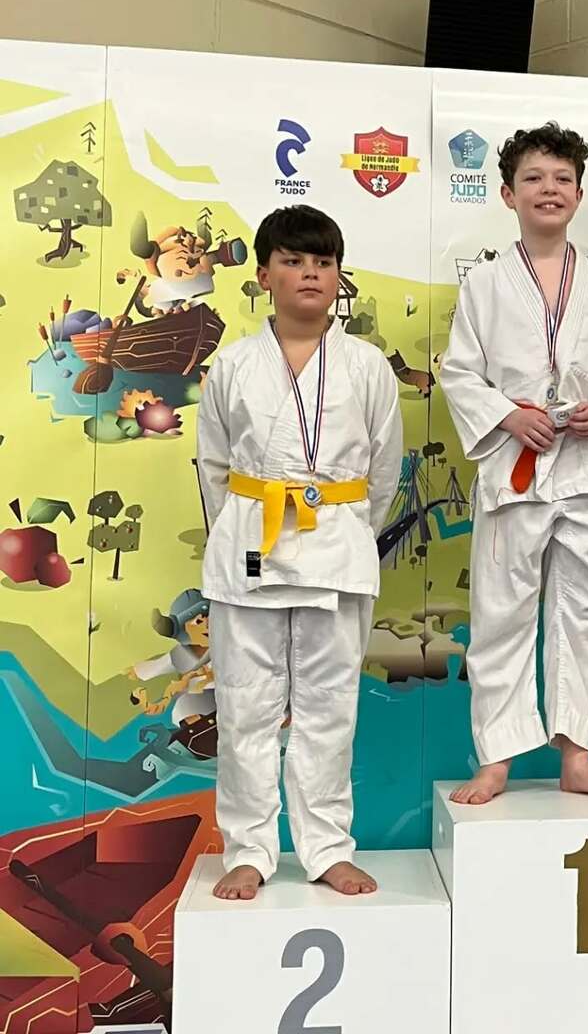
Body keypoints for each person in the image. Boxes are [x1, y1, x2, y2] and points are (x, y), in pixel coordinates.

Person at [440, 122, 588, 805]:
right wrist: (509, 416)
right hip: (516, 467)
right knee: (501, 614)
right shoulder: (484, 284)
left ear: (580, 194)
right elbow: (460, 372)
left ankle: (577, 755)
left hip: (585, 469)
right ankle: (497, 758)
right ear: (508, 194)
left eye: (562, 178)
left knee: (585, 612)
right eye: (533, 178)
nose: (549, 189)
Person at [196, 205, 404, 900]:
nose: (309, 273)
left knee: (328, 707)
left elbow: (382, 473)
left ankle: (326, 848)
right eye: (292, 261)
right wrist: (240, 531)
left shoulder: (367, 366)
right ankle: (249, 850)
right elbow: (215, 467)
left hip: (336, 549)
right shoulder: (232, 365)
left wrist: (343, 529)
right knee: (245, 707)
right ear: (264, 276)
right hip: (250, 547)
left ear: (338, 275)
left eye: (322, 261)